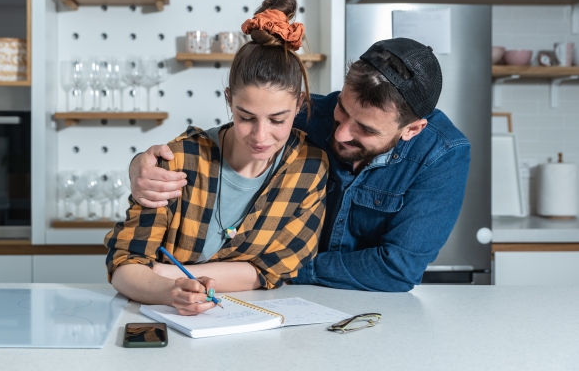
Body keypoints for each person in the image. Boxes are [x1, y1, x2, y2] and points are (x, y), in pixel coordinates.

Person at [128, 37, 471, 292]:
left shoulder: (443, 154)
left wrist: (280, 267)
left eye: (365, 129)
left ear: (412, 129)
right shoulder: (304, 115)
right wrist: (139, 165)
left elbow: (398, 269)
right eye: (343, 109)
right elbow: (220, 140)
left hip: (364, 303)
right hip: (273, 295)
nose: (342, 132)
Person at [105, 0, 329, 315]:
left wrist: (166, 271)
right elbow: (125, 265)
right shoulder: (180, 160)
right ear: (229, 100)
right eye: (246, 117)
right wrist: (170, 291)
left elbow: (276, 269)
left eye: (278, 120)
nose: (260, 136)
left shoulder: (310, 167)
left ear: (300, 105)